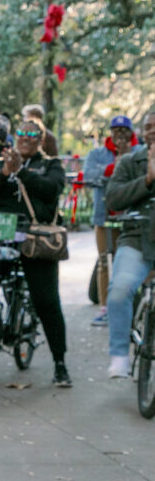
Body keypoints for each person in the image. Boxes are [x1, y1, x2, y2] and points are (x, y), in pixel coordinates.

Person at [0, 117, 72, 387]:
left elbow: (51, 190)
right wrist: (6, 172)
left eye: (32, 134)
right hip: (3, 236)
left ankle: (60, 363)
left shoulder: (50, 164)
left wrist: (22, 172)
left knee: (47, 302)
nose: (26, 138)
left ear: (40, 140)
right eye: (21, 133)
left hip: (37, 240)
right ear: (15, 136)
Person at [103, 110, 155, 379]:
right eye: (148, 127)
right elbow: (113, 199)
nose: (152, 131)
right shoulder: (129, 161)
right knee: (120, 290)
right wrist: (146, 181)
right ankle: (120, 354)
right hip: (136, 238)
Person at [83, 115, 142, 326]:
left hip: (134, 218)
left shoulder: (140, 152)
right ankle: (105, 308)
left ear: (131, 132)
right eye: (115, 130)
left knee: (131, 262)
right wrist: (112, 168)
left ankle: (133, 306)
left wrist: (126, 160)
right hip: (105, 216)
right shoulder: (98, 154)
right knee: (104, 261)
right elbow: (88, 175)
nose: (119, 134)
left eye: (123, 130)